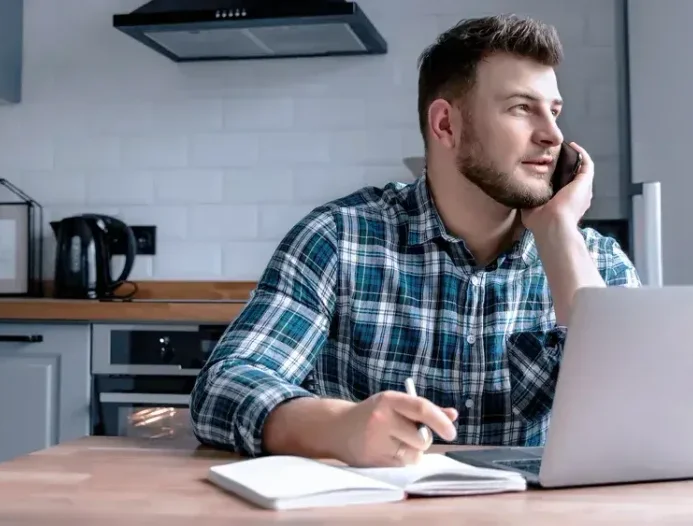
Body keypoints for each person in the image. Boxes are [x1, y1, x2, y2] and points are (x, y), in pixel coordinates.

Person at [190, 13, 641, 468]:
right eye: (521, 108)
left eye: (554, 111)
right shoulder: (338, 238)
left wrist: (560, 230)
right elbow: (224, 386)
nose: (553, 135)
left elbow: (642, 415)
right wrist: (338, 428)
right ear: (445, 125)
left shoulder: (596, 260)